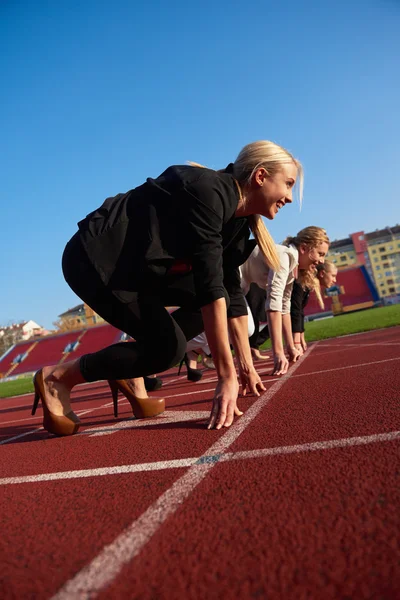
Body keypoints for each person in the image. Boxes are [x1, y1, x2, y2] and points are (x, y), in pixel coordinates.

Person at [31, 140, 303, 436]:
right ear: (261, 176)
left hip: (139, 269)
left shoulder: (238, 222)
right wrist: (226, 377)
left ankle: (132, 370)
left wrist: (245, 367)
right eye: (288, 184)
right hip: (95, 260)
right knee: (168, 350)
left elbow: (228, 290)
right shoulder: (209, 192)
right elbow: (209, 285)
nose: (289, 197)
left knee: (201, 312)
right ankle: (56, 378)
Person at [241, 226, 330, 376]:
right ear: (304, 248)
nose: (321, 261)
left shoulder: (293, 265)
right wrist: (278, 353)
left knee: (245, 328)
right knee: (244, 327)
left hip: (241, 285)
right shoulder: (284, 256)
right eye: (320, 254)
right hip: (230, 278)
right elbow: (273, 304)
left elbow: (284, 306)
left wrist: (291, 346)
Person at [291, 259, 337, 353]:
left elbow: (300, 311)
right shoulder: (302, 282)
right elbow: (295, 311)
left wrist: (301, 337)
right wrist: (296, 342)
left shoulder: (308, 284)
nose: (334, 280)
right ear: (322, 273)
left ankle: (255, 346)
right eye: (333, 276)